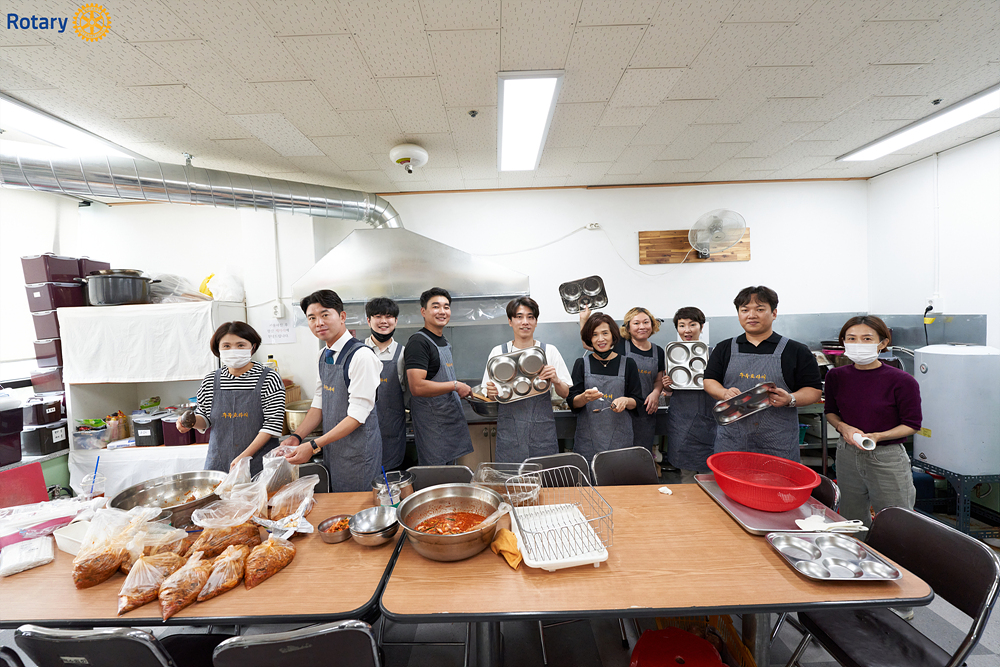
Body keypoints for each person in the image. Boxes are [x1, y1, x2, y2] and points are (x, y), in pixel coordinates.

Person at [703, 286, 822, 462]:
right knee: (732, 478)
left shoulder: (796, 350)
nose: (751, 315)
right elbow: (709, 380)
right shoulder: (724, 348)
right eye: (745, 310)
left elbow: (814, 390)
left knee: (778, 479)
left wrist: (790, 399)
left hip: (778, 440)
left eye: (759, 309)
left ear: (774, 313)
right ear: (738, 314)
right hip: (732, 439)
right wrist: (723, 393)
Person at [824, 316, 921, 528]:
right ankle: (857, 549)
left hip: (886, 456)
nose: (858, 344)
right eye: (851, 338)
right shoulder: (836, 376)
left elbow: (912, 424)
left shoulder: (902, 381)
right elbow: (830, 412)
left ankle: (894, 551)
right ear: (843, 342)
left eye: (867, 338)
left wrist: (878, 436)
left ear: (883, 343)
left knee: (896, 519)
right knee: (851, 517)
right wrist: (843, 427)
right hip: (847, 453)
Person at [281, 290, 382, 492]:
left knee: (358, 505)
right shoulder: (323, 355)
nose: (318, 323)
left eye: (325, 315)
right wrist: (297, 437)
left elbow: (357, 416)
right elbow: (319, 403)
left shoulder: (362, 356)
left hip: (358, 453)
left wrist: (313, 446)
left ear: (342, 316)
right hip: (333, 449)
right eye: (312, 318)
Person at [181, 321, 284, 476]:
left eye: (240, 345)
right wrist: (191, 422)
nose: (233, 350)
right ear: (218, 349)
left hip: (261, 465)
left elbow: (272, 425)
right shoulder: (210, 381)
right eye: (227, 346)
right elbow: (205, 418)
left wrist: (244, 457)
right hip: (218, 463)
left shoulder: (269, 378)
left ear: (253, 347)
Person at [481, 297, 571, 463]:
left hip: (542, 434)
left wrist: (557, 380)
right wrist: (492, 393)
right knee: (512, 477)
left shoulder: (549, 351)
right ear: (510, 321)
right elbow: (489, 396)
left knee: (544, 476)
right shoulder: (498, 353)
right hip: (510, 436)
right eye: (519, 317)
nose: (525, 322)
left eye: (530, 317)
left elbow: (565, 393)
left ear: (536, 322)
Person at [405, 287, 474, 465]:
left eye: (446, 307)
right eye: (436, 306)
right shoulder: (418, 342)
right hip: (432, 427)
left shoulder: (443, 341)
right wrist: (455, 385)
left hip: (448, 419)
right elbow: (417, 386)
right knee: (436, 475)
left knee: (450, 474)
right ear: (423, 311)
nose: (442, 311)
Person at [567, 312, 643, 464]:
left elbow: (638, 401)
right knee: (589, 476)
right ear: (589, 338)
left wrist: (625, 400)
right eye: (594, 335)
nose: (600, 339)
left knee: (619, 476)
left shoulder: (628, 364)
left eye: (605, 333)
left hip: (620, 438)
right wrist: (584, 398)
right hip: (588, 440)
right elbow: (572, 402)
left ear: (613, 335)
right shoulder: (581, 364)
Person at [662, 307, 717, 483]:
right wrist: (667, 386)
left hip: (708, 419)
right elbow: (670, 391)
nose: (687, 330)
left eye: (692, 324)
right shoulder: (672, 355)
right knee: (686, 473)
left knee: (710, 473)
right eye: (682, 325)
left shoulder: (713, 353)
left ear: (701, 327)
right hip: (681, 420)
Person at [364, 296, 408, 472]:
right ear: (369, 320)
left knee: (391, 479)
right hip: (363, 430)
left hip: (392, 430)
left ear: (396, 321)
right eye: (378, 316)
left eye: (389, 316)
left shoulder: (404, 354)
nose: (383, 321)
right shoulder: (358, 351)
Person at [619, 307, 665, 455]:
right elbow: (589, 344)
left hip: (645, 411)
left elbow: (658, 380)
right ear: (628, 327)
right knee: (620, 454)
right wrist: (583, 319)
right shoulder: (619, 346)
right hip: (621, 411)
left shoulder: (658, 351)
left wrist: (656, 393)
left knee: (641, 454)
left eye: (646, 322)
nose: (642, 327)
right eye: (636, 323)